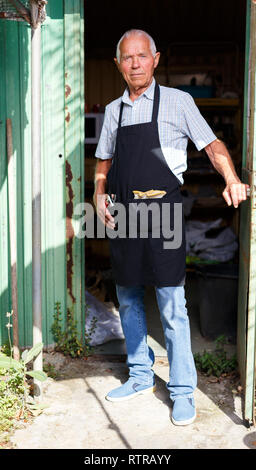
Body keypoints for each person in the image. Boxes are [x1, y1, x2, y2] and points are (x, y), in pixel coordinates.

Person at [93, 29, 248, 426]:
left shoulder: (179, 103)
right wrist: (97, 193)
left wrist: (230, 178)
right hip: (125, 214)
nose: (135, 63)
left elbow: (211, 145)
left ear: (155, 59)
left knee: (172, 305)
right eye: (127, 57)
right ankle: (141, 375)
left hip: (163, 210)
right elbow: (104, 161)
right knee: (127, 297)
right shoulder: (114, 111)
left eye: (142, 56)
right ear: (118, 64)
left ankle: (181, 390)